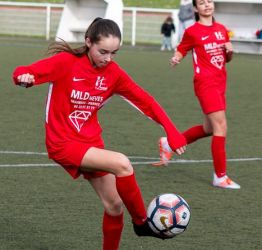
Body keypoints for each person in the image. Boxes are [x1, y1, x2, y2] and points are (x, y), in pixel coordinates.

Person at [12, 18, 187, 249]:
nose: (108, 58)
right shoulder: (65, 62)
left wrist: (171, 129)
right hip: (62, 143)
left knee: (114, 205)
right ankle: (142, 223)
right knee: (122, 164)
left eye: (114, 53)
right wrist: (23, 78)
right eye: (103, 51)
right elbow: (22, 71)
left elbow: (146, 101)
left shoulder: (113, 73)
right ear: (88, 42)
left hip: (90, 143)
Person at [154, 0, 240, 190]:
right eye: (202, 3)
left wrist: (230, 52)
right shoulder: (193, 31)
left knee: (209, 128)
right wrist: (176, 58)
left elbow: (226, 58)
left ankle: (169, 144)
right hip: (205, 84)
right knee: (221, 127)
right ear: (195, 8)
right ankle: (220, 176)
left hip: (220, 83)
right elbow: (182, 48)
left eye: (209, 1)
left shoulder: (222, 29)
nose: (207, 5)